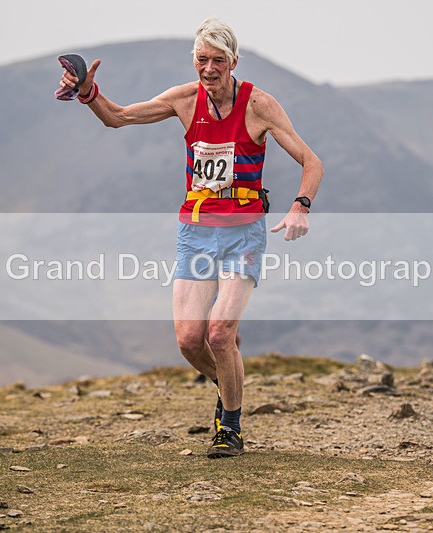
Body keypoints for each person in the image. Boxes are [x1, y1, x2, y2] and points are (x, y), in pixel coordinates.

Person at [58, 17, 323, 458]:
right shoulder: (184, 99)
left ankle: (230, 426)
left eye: (219, 60)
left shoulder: (259, 104)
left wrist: (301, 207)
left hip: (243, 234)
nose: (210, 68)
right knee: (188, 341)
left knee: (220, 334)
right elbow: (118, 118)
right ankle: (230, 381)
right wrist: (87, 92)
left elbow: (311, 161)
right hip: (195, 234)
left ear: (234, 62)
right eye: (202, 59)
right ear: (194, 62)